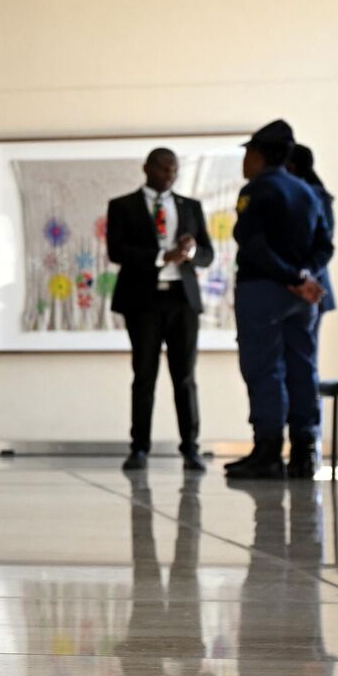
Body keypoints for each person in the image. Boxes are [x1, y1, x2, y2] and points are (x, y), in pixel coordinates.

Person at [226, 120, 333, 480]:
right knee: (303, 367)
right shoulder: (307, 191)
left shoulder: (256, 190)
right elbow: (324, 245)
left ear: (259, 155)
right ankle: (304, 451)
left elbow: (252, 243)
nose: (245, 162)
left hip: (263, 290)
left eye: (248, 154)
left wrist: (290, 277)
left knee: (264, 369)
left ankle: (268, 452)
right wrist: (303, 277)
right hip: (302, 298)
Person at [106, 148, 215, 472]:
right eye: (164, 168)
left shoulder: (190, 207)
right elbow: (117, 251)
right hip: (143, 301)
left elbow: (207, 255)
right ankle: (139, 448)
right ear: (147, 168)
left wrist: (190, 252)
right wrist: (161, 257)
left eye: (174, 170)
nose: (170, 175)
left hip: (182, 301)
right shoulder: (122, 206)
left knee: (185, 377)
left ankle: (190, 448)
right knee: (144, 375)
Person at [286, 143, 337, 328]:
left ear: (291, 168)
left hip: (308, 285)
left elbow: (323, 244)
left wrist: (303, 275)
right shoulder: (313, 195)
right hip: (304, 282)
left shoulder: (312, 197)